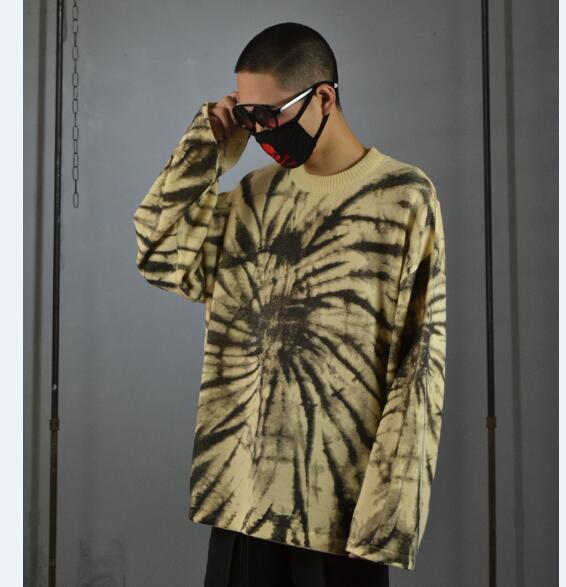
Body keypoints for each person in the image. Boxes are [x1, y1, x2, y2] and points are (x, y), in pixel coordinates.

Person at [132, 21, 447, 587]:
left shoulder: (403, 198)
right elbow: (160, 257)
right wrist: (207, 145)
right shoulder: (253, 195)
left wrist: (383, 525)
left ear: (324, 98)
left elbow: (417, 368)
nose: (259, 130)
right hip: (240, 508)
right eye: (248, 115)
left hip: (340, 526)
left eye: (269, 114)